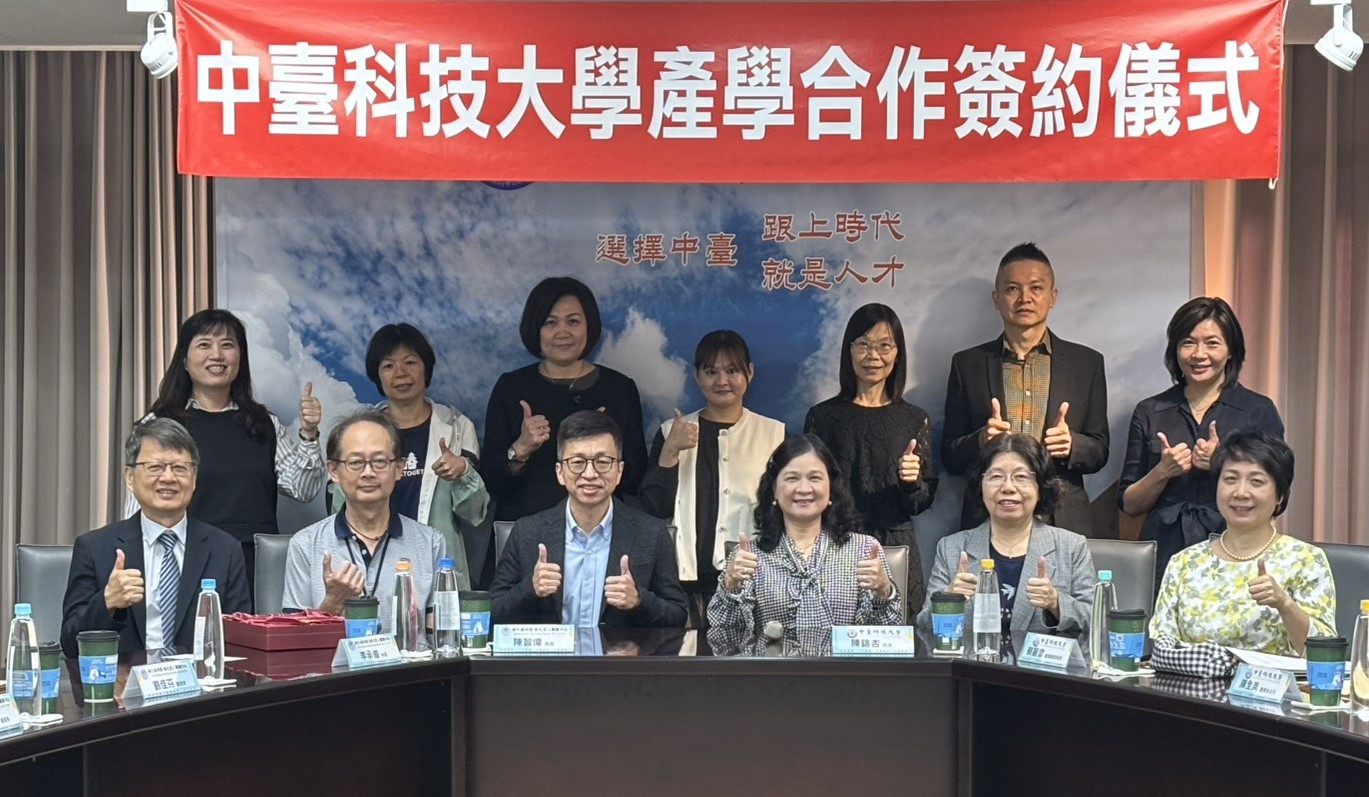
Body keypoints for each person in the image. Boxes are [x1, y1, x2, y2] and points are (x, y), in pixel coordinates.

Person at [132, 308, 325, 588]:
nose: (217, 355)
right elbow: (138, 505)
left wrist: (308, 433)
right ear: (184, 360)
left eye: (227, 345)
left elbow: (303, 490)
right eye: (204, 345)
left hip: (255, 566)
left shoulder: (263, 423)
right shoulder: (160, 425)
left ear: (240, 357)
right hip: (182, 560)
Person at [942, 243, 1108, 535]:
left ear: (1052, 297)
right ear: (996, 298)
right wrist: (981, 439)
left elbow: (1100, 449)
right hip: (988, 518)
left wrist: (1072, 445)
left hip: (1062, 520)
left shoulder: (1086, 363)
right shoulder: (967, 365)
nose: (1025, 298)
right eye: (1012, 289)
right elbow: (950, 455)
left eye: (1036, 288)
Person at [1119, 297, 1285, 584]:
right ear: (1175, 350)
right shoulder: (1149, 411)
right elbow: (1129, 504)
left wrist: (1222, 463)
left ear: (1230, 350)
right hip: (1163, 552)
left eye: (1212, 343)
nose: (1199, 354)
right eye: (1188, 343)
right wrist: (1162, 472)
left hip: (1237, 549)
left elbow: (1279, 499)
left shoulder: (1258, 410)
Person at [62, 419, 251, 657]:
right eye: (155, 467)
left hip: (200, 680)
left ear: (194, 478)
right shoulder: (94, 548)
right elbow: (69, 644)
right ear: (129, 477)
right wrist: (107, 601)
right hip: (124, 680)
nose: (168, 478)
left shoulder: (225, 550)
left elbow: (242, 643)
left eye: (180, 468)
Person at [637, 330, 786, 629]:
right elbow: (654, 508)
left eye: (732, 370)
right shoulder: (671, 431)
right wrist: (670, 451)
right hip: (682, 586)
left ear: (749, 373)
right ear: (697, 376)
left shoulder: (774, 434)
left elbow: (786, 512)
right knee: (682, 659)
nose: (722, 381)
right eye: (711, 372)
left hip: (752, 582)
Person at [481, 277, 649, 541]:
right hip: (525, 536)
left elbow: (635, 479)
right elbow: (490, 481)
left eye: (573, 321)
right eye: (550, 323)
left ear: (589, 326)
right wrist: (521, 449)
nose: (563, 332)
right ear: (535, 329)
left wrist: (606, 447)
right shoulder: (511, 387)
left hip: (601, 537)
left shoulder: (619, 389)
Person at [707, 434, 902, 656]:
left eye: (814, 478)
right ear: (774, 489)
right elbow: (723, 644)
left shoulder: (863, 549)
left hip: (844, 675)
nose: (804, 488)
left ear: (831, 488)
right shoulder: (749, 556)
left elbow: (888, 642)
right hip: (769, 676)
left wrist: (883, 592)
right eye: (792, 478)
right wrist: (730, 586)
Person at [489, 410, 686, 628]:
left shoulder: (651, 532)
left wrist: (639, 600)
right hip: (551, 651)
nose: (590, 474)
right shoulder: (528, 532)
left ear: (619, 471)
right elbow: (492, 611)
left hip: (619, 651)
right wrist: (530, 588)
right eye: (577, 462)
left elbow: (678, 614)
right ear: (560, 472)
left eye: (603, 462)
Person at [329, 323, 489, 589]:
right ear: (377, 376)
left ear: (426, 369)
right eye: (388, 366)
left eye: (410, 362)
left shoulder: (457, 428)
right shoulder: (359, 434)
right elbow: (340, 511)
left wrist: (463, 472)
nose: (400, 373)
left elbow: (475, 515)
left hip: (437, 569)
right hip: (370, 565)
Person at [1151, 431, 1334, 655]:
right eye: (1230, 479)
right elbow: (1162, 646)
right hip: (1193, 677)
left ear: (1280, 496)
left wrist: (1285, 604)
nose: (1241, 492)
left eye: (1256, 481)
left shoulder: (1305, 560)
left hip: (1279, 678)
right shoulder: (1184, 563)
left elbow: (1324, 653)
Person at [804, 304, 936, 611]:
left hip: (895, 547)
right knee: (831, 633)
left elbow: (919, 503)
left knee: (898, 635)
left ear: (898, 353)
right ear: (848, 351)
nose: (873, 355)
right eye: (863, 344)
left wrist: (911, 480)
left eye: (884, 345)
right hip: (835, 545)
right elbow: (809, 492)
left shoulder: (913, 418)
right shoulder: (822, 417)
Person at [282, 410, 446, 633]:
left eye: (379, 461)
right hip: (334, 658)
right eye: (356, 462)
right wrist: (332, 604)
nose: (368, 473)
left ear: (399, 468)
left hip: (410, 657)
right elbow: (291, 642)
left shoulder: (430, 543)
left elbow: (442, 638)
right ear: (333, 471)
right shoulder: (305, 544)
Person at [917, 434, 1096, 636]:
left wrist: (1055, 602)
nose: (1008, 488)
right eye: (996, 477)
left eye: (1021, 477)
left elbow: (1095, 620)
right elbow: (924, 626)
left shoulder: (1071, 547)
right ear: (980, 486)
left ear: (1040, 487)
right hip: (974, 657)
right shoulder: (952, 548)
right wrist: (949, 597)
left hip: (1040, 657)